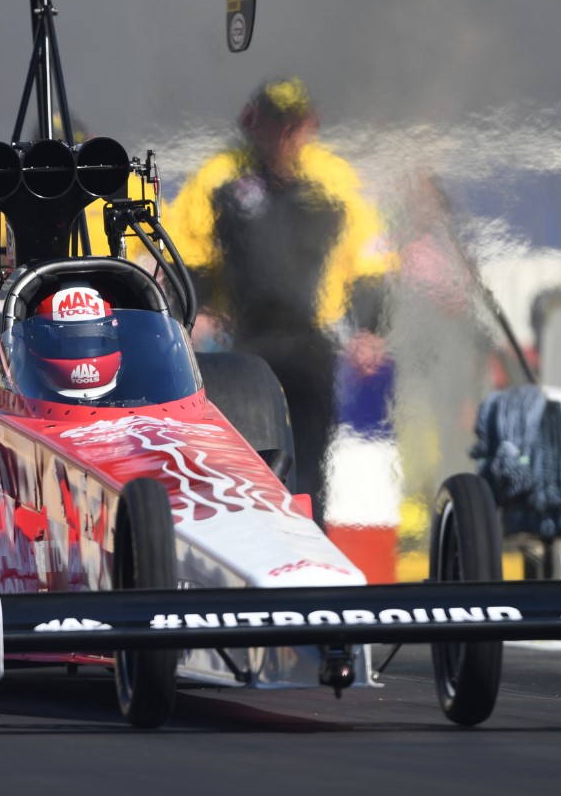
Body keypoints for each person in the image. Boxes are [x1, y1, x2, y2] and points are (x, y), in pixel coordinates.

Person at [163, 77, 392, 523]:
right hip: (243, 342)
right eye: (272, 124)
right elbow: (189, 249)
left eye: (293, 125)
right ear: (254, 123)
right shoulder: (219, 176)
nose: (283, 136)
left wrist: (368, 327)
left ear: (309, 125)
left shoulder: (336, 180)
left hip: (312, 341)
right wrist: (199, 310)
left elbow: (371, 257)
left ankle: (311, 552)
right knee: (247, 456)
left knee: (310, 461)